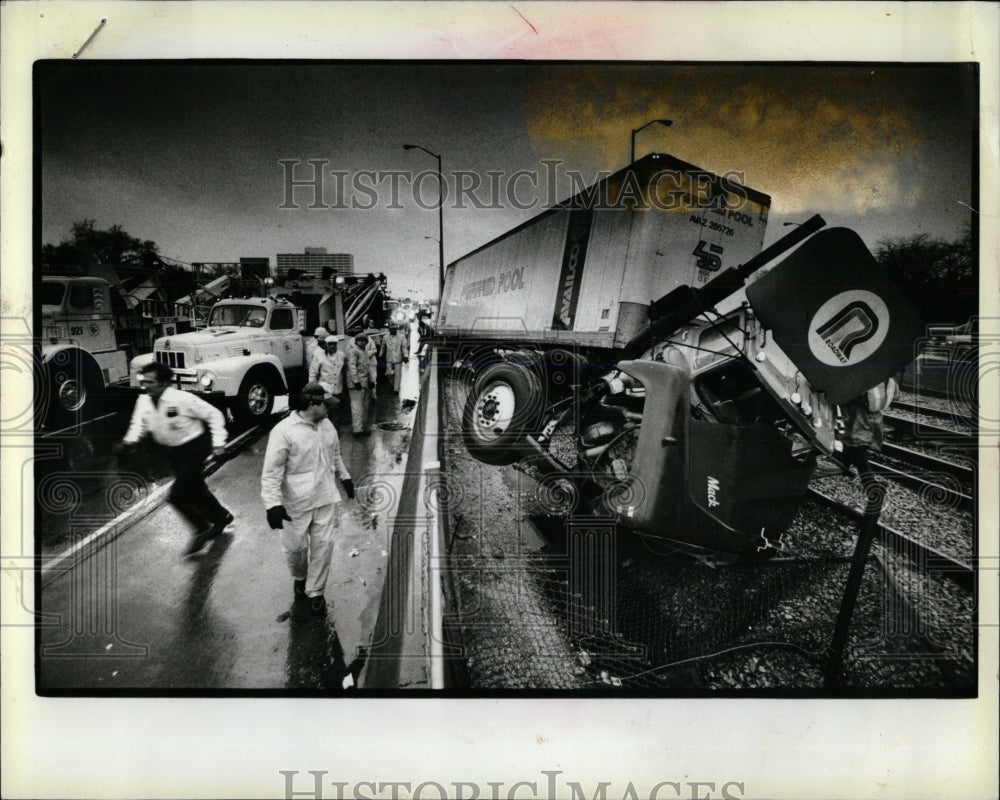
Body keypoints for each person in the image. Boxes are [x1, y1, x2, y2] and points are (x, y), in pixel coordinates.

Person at [117, 362, 232, 556]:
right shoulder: (143, 402)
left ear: (164, 384)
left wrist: (219, 443)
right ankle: (222, 517)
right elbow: (138, 425)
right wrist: (128, 442)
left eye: (151, 382)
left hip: (195, 447)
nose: (146, 386)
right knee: (195, 488)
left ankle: (201, 528)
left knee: (177, 495)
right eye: (144, 381)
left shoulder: (182, 399)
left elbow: (214, 414)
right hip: (172, 452)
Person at [260, 383, 355, 615]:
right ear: (313, 404)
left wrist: (345, 477)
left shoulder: (327, 425)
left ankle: (316, 591)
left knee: (324, 546)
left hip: (324, 497)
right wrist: (272, 505)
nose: (330, 409)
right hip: (296, 503)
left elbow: (335, 454)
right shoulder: (284, 431)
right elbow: (272, 472)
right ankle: (300, 578)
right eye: (326, 404)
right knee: (295, 549)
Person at [309, 335, 347, 422]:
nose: (333, 346)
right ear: (326, 345)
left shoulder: (341, 355)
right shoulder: (318, 355)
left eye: (334, 344)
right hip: (325, 390)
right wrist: (313, 388)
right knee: (325, 413)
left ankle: (335, 433)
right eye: (330, 344)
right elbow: (313, 372)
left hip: (338, 389)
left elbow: (347, 368)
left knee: (337, 413)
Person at [346, 333, 377, 435]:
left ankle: (363, 428)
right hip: (356, 385)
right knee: (357, 407)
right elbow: (352, 367)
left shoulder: (365, 352)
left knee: (364, 407)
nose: (362, 342)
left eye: (364, 340)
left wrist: (372, 381)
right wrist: (356, 381)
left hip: (365, 384)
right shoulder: (353, 352)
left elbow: (368, 369)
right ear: (356, 341)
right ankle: (358, 429)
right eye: (360, 340)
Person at [380, 324, 409, 394]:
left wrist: (405, 356)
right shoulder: (385, 337)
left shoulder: (401, 337)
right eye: (391, 330)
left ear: (396, 330)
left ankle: (396, 389)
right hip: (389, 357)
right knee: (389, 373)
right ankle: (392, 384)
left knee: (397, 374)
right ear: (389, 330)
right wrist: (380, 355)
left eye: (394, 330)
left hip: (398, 357)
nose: (393, 331)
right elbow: (383, 347)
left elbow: (404, 347)